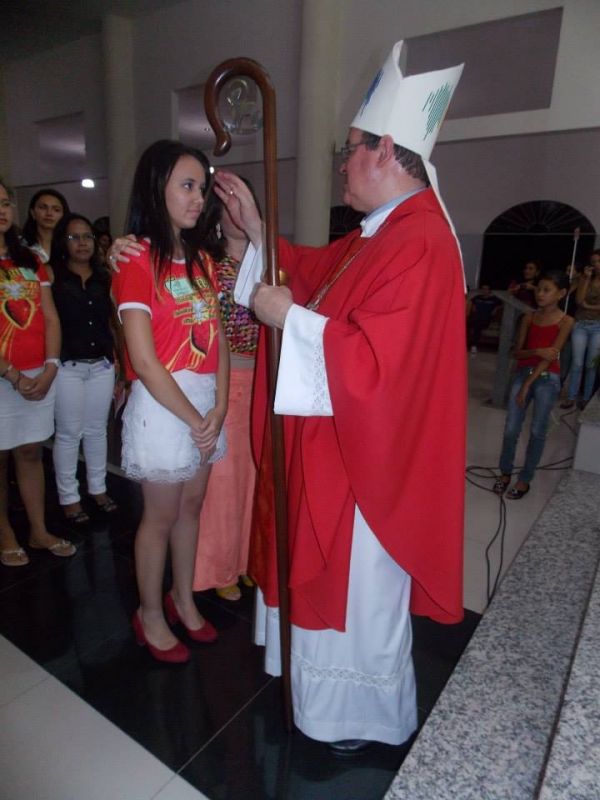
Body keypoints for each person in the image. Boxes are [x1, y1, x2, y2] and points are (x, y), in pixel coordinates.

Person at [214, 41, 466, 754]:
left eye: (350, 150)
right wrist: (255, 234)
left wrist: (284, 317)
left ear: (387, 149)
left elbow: (374, 362)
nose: (341, 162)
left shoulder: (419, 240)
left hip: (367, 468)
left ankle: (354, 722)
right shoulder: (377, 236)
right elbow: (315, 272)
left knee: (355, 601)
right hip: (336, 452)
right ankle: (321, 705)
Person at [110, 140, 230, 663]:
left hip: (204, 402)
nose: (198, 197)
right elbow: (144, 358)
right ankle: (150, 613)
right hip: (163, 407)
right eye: (187, 185)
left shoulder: (201, 259)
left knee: (192, 507)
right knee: (158, 518)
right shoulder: (136, 259)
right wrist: (196, 417)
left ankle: (182, 596)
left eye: (201, 188)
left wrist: (220, 407)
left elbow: (220, 337)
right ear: (155, 188)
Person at [0, 178, 76, 567]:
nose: (2, 210)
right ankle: (5, 532)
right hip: (4, 376)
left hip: (35, 371)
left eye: (5, 202)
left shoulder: (31, 260)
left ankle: (38, 528)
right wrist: (12, 375)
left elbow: (50, 317)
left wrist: (50, 367)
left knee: (29, 451)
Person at [192, 182, 261, 601]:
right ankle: (218, 568)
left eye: (244, 206)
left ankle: (248, 559)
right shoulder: (205, 263)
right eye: (228, 207)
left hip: (266, 379)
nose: (236, 214)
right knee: (224, 481)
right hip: (224, 379)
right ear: (216, 215)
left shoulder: (268, 260)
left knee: (257, 477)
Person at [50, 213, 121, 524]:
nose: (82, 243)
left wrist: (121, 360)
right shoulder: (53, 277)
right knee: (68, 434)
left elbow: (114, 321)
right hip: (67, 366)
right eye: (74, 237)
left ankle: (98, 489)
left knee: (96, 431)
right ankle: (69, 498)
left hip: (101, 365)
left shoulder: (105, 277)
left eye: (87, 237)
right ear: (63, 243)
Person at [493, 270, 574, 499]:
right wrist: (536, 351)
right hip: (524, 372)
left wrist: (528, 383)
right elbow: (517, 353)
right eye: (539, 288)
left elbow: (552, 357)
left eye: (547, 290)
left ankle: (525, 479)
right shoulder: (529, 317)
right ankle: (505, 472)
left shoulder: (566, 321)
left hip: (548, 377)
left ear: (561, 293)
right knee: (511, 428)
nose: (540, 294)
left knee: (538, 430)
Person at [560, 250, 600, 410]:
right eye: (593, 261)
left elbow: (587, 304)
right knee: (577, 363)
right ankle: (571, 397)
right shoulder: (584, 278)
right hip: (581, 324)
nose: (596, 265)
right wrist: (587, 278)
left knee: (591, 365)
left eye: (598, 261)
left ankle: (585, 398)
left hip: (597, 325)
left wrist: (589, 306)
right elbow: (578, 300)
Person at [21, 188, 70, 269]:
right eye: (43, 207)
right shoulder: (20, 245)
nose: (49, 213)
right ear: (33, 212)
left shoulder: (70, 246)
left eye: (56, 210)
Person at [466, 284, 502, 353]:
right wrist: (473, 306)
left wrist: (496, 308)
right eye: (483, 289)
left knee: (478, 323)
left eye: (486, 289)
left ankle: (474, 345)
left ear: (489, 290)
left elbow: (502, 305)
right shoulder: (478, 297)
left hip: (486, 319)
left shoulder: (494, 299)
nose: (484, 290)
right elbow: (469, 301)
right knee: (467, 323)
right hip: (475, 317)